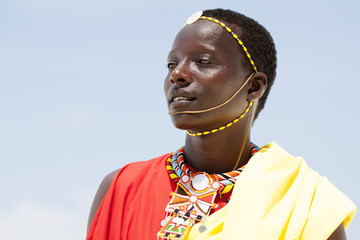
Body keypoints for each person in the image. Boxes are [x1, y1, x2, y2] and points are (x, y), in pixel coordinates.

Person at [86, 9, 356, 240]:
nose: (177, 74)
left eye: (203, 62)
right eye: (171, 64)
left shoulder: (308, 206)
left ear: (253, 86)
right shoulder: (122, 188)